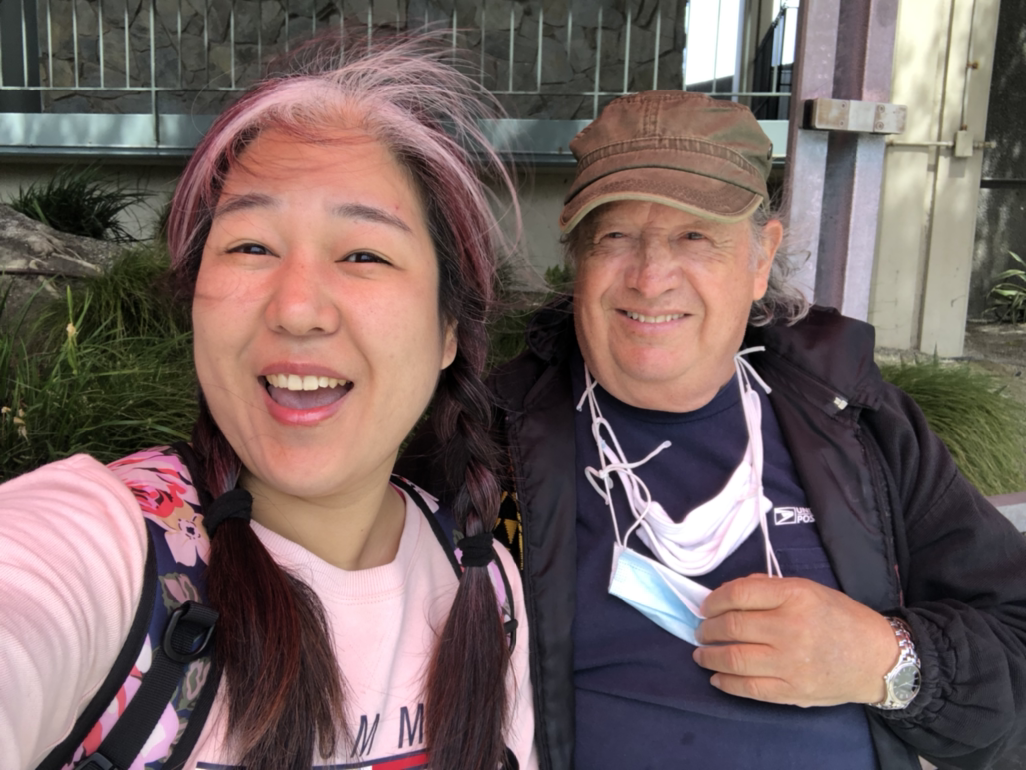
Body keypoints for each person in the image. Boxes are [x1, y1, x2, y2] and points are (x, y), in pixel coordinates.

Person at [400, 91, 1026, 770]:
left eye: (695, 236)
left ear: (761, 259)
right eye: (616, 237)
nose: (650, 278)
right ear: (577, 258)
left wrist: (886, 660)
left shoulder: (856, 424)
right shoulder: (486, 438)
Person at [0, 35, 536, 770]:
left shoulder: (485, 586)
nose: (296, 309)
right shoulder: (106, 548)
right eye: (250, 247)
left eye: (364, 254)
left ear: (449, 330)